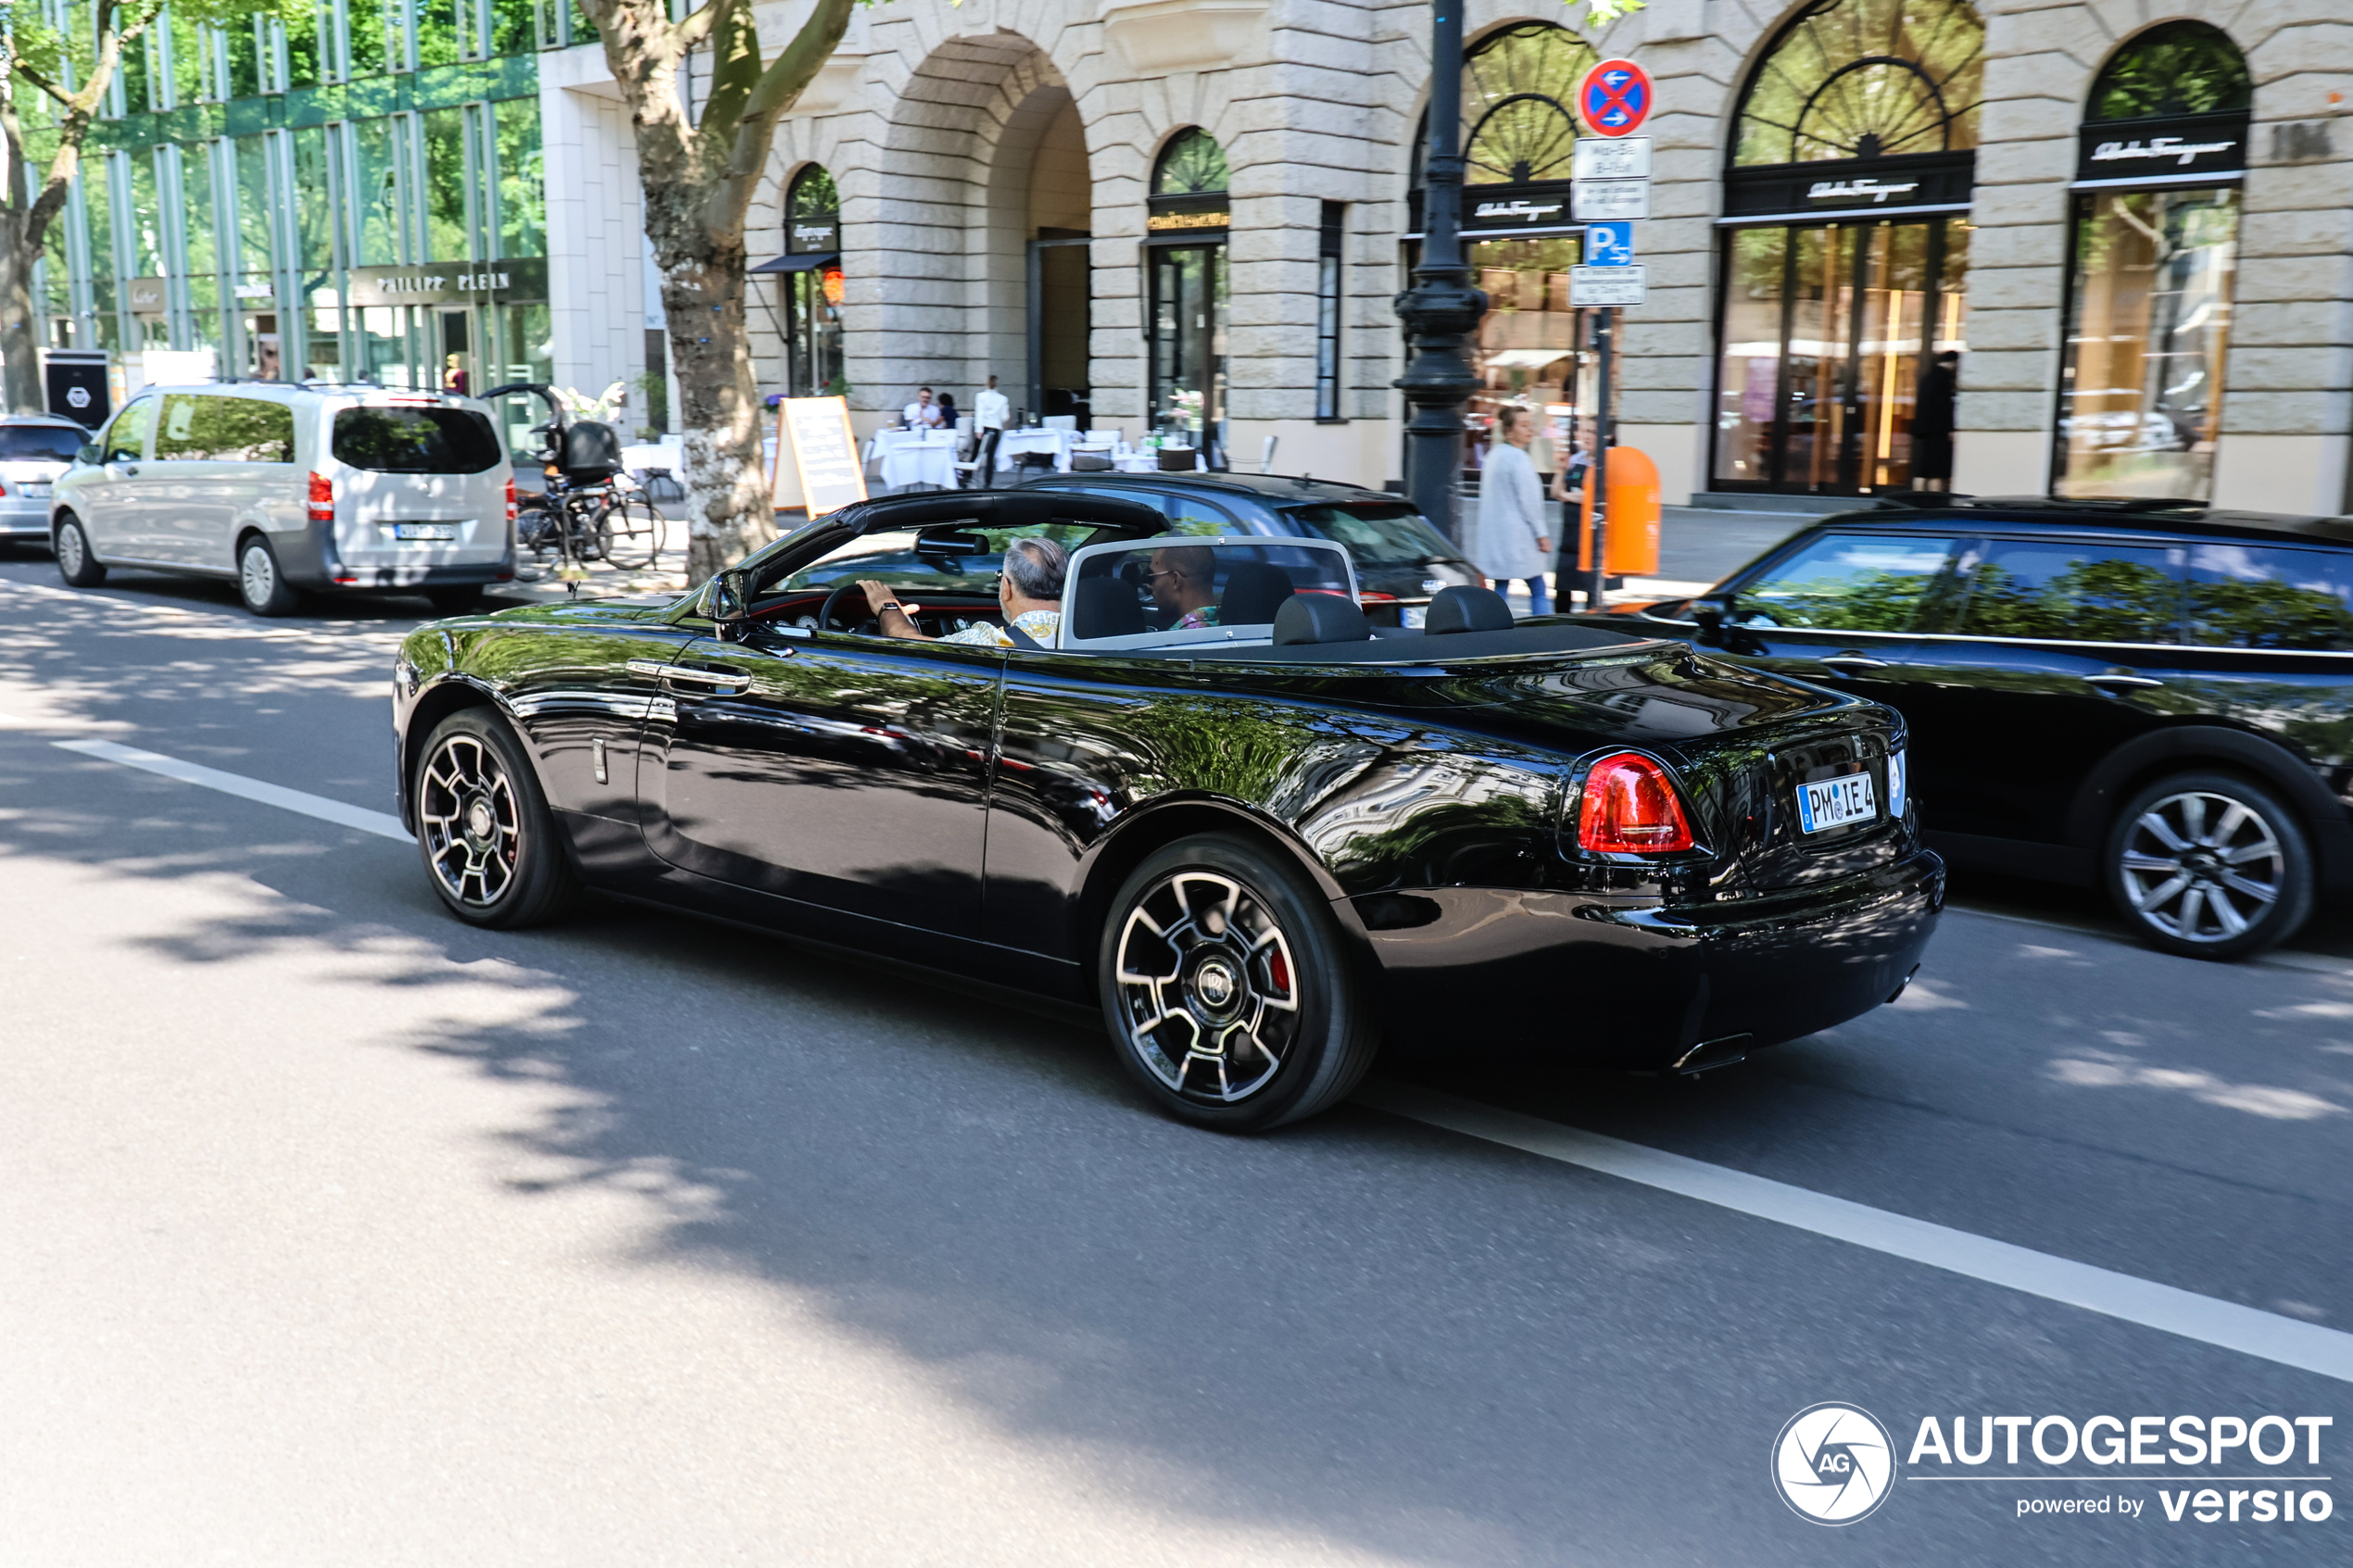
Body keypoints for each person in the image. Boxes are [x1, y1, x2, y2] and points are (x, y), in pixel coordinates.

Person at [859, 535, 1066, 648]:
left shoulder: (992, 642)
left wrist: (887, 605)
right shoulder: (1094, 633)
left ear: (1006, 587)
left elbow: (907, 643)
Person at [1463, 405, 1552, 615]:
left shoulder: (1495, 455)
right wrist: (1542, 534)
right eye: (1524, 425)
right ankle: (1545, 629)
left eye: (1531, 424)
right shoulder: (1519, 459)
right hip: (1521, 536)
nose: (1530, 429)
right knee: (1538, 587)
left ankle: (1493, 628)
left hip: (1498, 536)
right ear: (1509, 430)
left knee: (1501, 586)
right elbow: (1529, 502)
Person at [1912, 350, 1959, 493]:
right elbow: (1944, 407)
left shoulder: (1928, 377)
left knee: (1923, 468)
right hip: (1938, 430)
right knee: (1937, 470)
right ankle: (1934, 498)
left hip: (1924, 430)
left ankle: (1917, 496)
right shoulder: (1944, 379)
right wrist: (1950, 429)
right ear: (1953, 363)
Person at [1145, 545, 1220, 629]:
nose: (1150, 586)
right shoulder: (1228, 624)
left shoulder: (1179, 639)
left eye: (1153, 578)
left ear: (1175, 580)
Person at [973, 374, 1010, 488]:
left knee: (975, 453)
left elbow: (979, 413)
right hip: (996, 427)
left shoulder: (980, 396)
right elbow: (1005, 417)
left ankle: (967, 475)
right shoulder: (1003, 399)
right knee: (990, 456)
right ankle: (988, 481)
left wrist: (978, 430)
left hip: (983, 427)